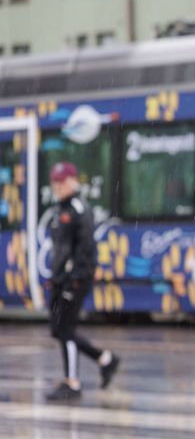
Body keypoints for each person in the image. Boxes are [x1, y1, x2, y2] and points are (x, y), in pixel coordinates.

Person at [43, 161, 120, 402]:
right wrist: (55, 278)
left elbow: (86, 249)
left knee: (65, 329)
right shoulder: (60, 209)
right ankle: (105, 359)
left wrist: (74, 278)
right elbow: (61, 249)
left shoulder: (78, 208)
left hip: (73, 281)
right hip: (61, 280)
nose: (59, 185)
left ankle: (72, 383)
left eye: (63, 181)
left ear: (74, 181)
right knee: (59, 330)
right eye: (55, 181)